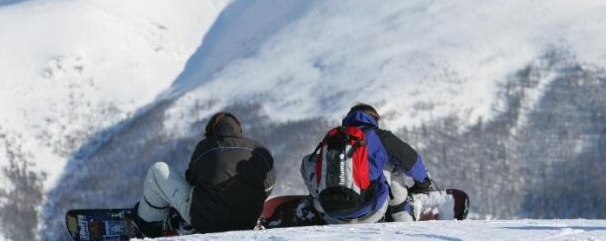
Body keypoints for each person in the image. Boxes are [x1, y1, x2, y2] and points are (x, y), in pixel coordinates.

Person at [134, 112, 276, 236]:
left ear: (210, 131)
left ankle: (150, 227)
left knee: (157, 170)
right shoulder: (258, 150)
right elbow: (268, 188)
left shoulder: (206, 147)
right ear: (239, 129)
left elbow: (191, 181)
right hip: (247, 221)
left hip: (206, 221)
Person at [300, 103, 431, 224]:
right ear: (373, 119)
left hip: (331, 213)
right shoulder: (380, 136)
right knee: (392, 164)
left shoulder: (335, 138)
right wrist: (423, 183)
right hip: (371, 212)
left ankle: (316, 202)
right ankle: (401, 214)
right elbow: (411, 161)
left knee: (309, 161)